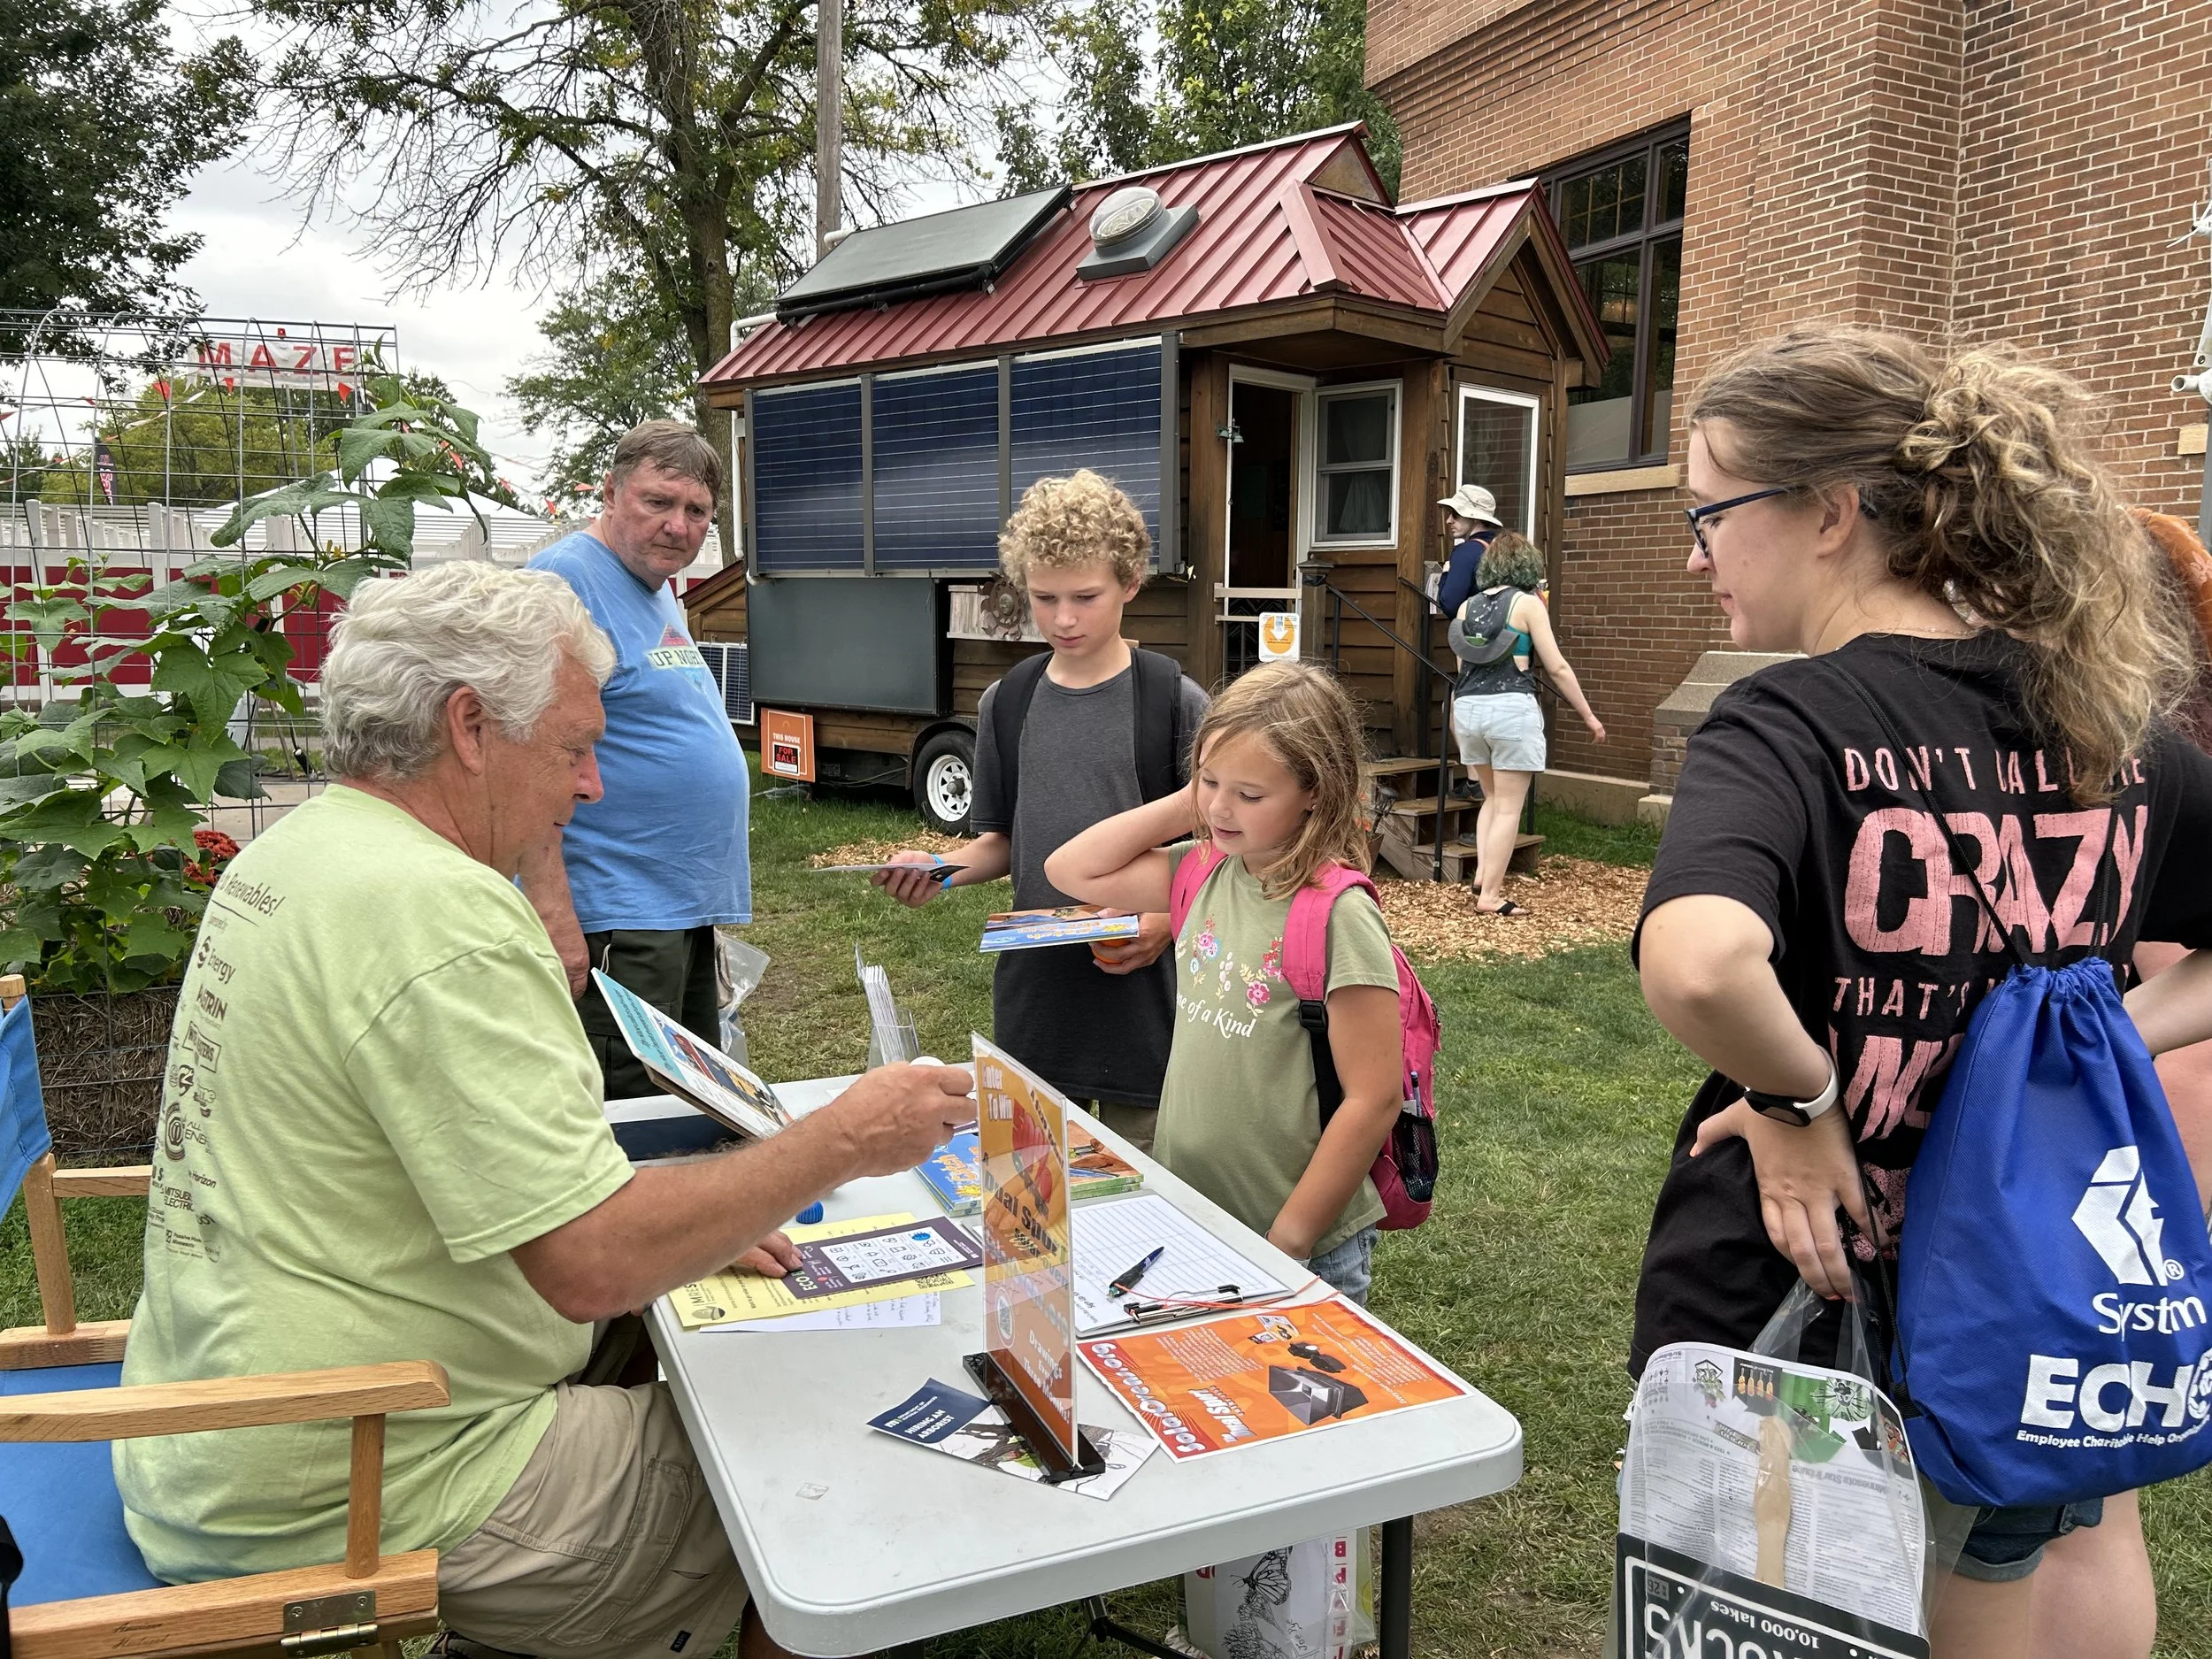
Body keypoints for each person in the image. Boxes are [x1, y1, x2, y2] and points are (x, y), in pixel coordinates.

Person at [115, 563, 972, 1659]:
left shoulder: (302, 852)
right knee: (832, 1457)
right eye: (574, 747)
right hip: (363, 1482)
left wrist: (688, 1213)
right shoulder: (442, 913)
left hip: (230, 1434)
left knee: (692, 1337)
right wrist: (842, 1140)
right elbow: (591, 1268)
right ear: (470, 727)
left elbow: (489, 1180)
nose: (593, 787)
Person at [1630, 325, 2212, 1659]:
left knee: (1762, 1604)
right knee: (1991, 1587)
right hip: (2034, 1285)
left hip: (1800, 1291)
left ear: (1830, 513)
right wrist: (2103, 1033)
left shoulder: (1791, 720)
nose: (1695, 553)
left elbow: (1704, 958)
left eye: (1710, 514)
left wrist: (1798, 1092)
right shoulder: (2102, 728)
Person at [1044, 662, 1403, 1303]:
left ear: (1314, 790)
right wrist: (1199, 794)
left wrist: (1287, 1240)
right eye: (1208, 781)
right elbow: (1071, 868)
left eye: (1250, 794)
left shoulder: (1339, 913)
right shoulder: (1204, 869)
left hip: (1295, 1247)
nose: (1219, 807)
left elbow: (1373, 1097)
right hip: (1193, 1219)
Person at [874, 469, 1207, 1153]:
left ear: (1132, 581)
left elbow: (1227, 853)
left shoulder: (1173, 699)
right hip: (1037, 1008)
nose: (1062, 618)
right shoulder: (1009, 700)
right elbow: (1001, 841)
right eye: (1043, 596)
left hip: (1145, 1005)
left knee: (1143, 1194)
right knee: (1028, 1193)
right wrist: (937, 869)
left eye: (1086, 597)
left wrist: (1167, 921)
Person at [523, 419, 749, 1100]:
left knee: (688, 1103)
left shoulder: (652, 586)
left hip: (672, 907)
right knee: (633, 1112)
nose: (678, 526)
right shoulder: (566, 580)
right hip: (614, 915)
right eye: (658, 501)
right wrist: (555, 912)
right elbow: (527, 762)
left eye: (696, 511)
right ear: (612, 492)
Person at [1445, 530, 1605, 914]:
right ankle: (1490, 896)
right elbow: (1558, 668)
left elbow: (1462, 667)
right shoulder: (1529, 604)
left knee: (1492, 798)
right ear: (1527, 566)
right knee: (1509, 807)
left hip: (1466, 709)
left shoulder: (1467, 607)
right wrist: (1588, 715)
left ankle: (1483, 875)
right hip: (1510, 709)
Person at [1433, 482, 1504, 618]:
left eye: (1455, 514)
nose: (1448, 521)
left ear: (1475, 518)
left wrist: (1446, 574)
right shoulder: (1502, 547)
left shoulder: (1466, 552)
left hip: (1475, 636)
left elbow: (1449, 605)